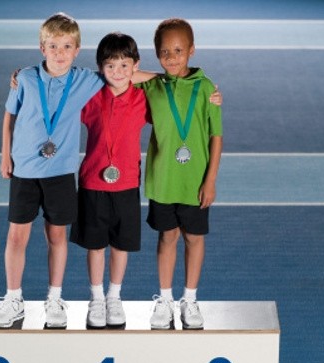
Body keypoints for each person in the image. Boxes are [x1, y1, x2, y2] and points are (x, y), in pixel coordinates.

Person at [0, 12, 104, 328]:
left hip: (60, 173)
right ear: (42, 48)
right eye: (53, 46)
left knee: (57, 236)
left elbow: (123, 74)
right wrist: (5, 155)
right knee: (17, 236)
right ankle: (13, 298)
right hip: (25, 171)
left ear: (77, 50)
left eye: (66, 46)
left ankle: (54, 298)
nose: (59, 53)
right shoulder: (26, 78)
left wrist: (171, 76)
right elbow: (9, 116)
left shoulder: (84, 80)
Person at [139, 18, 223, 330]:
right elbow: (122, 73)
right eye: (164, 52)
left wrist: (210, 180)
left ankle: (189, 299)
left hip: (195, 182)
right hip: (163, 181)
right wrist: (161, 76)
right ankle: (165, 300)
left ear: (192, 50)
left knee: (194, 238)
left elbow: (216, 137)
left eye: (178, 50)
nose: (172, 57)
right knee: (167, 237)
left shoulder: (207, 89)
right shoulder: (152, 86)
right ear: (156, 54)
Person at [70, 32, 149, 328]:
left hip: (127, 183)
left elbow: (173, 86)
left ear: (136, 66)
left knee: (120, 245)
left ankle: (114, 296)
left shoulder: (143, 98)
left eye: (124, 65)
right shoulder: (90, 96)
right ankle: (96, 298)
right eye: (110, 66)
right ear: (100, 67)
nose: (117, 72)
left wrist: (211, 95)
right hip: (93, 182)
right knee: (95, 245)